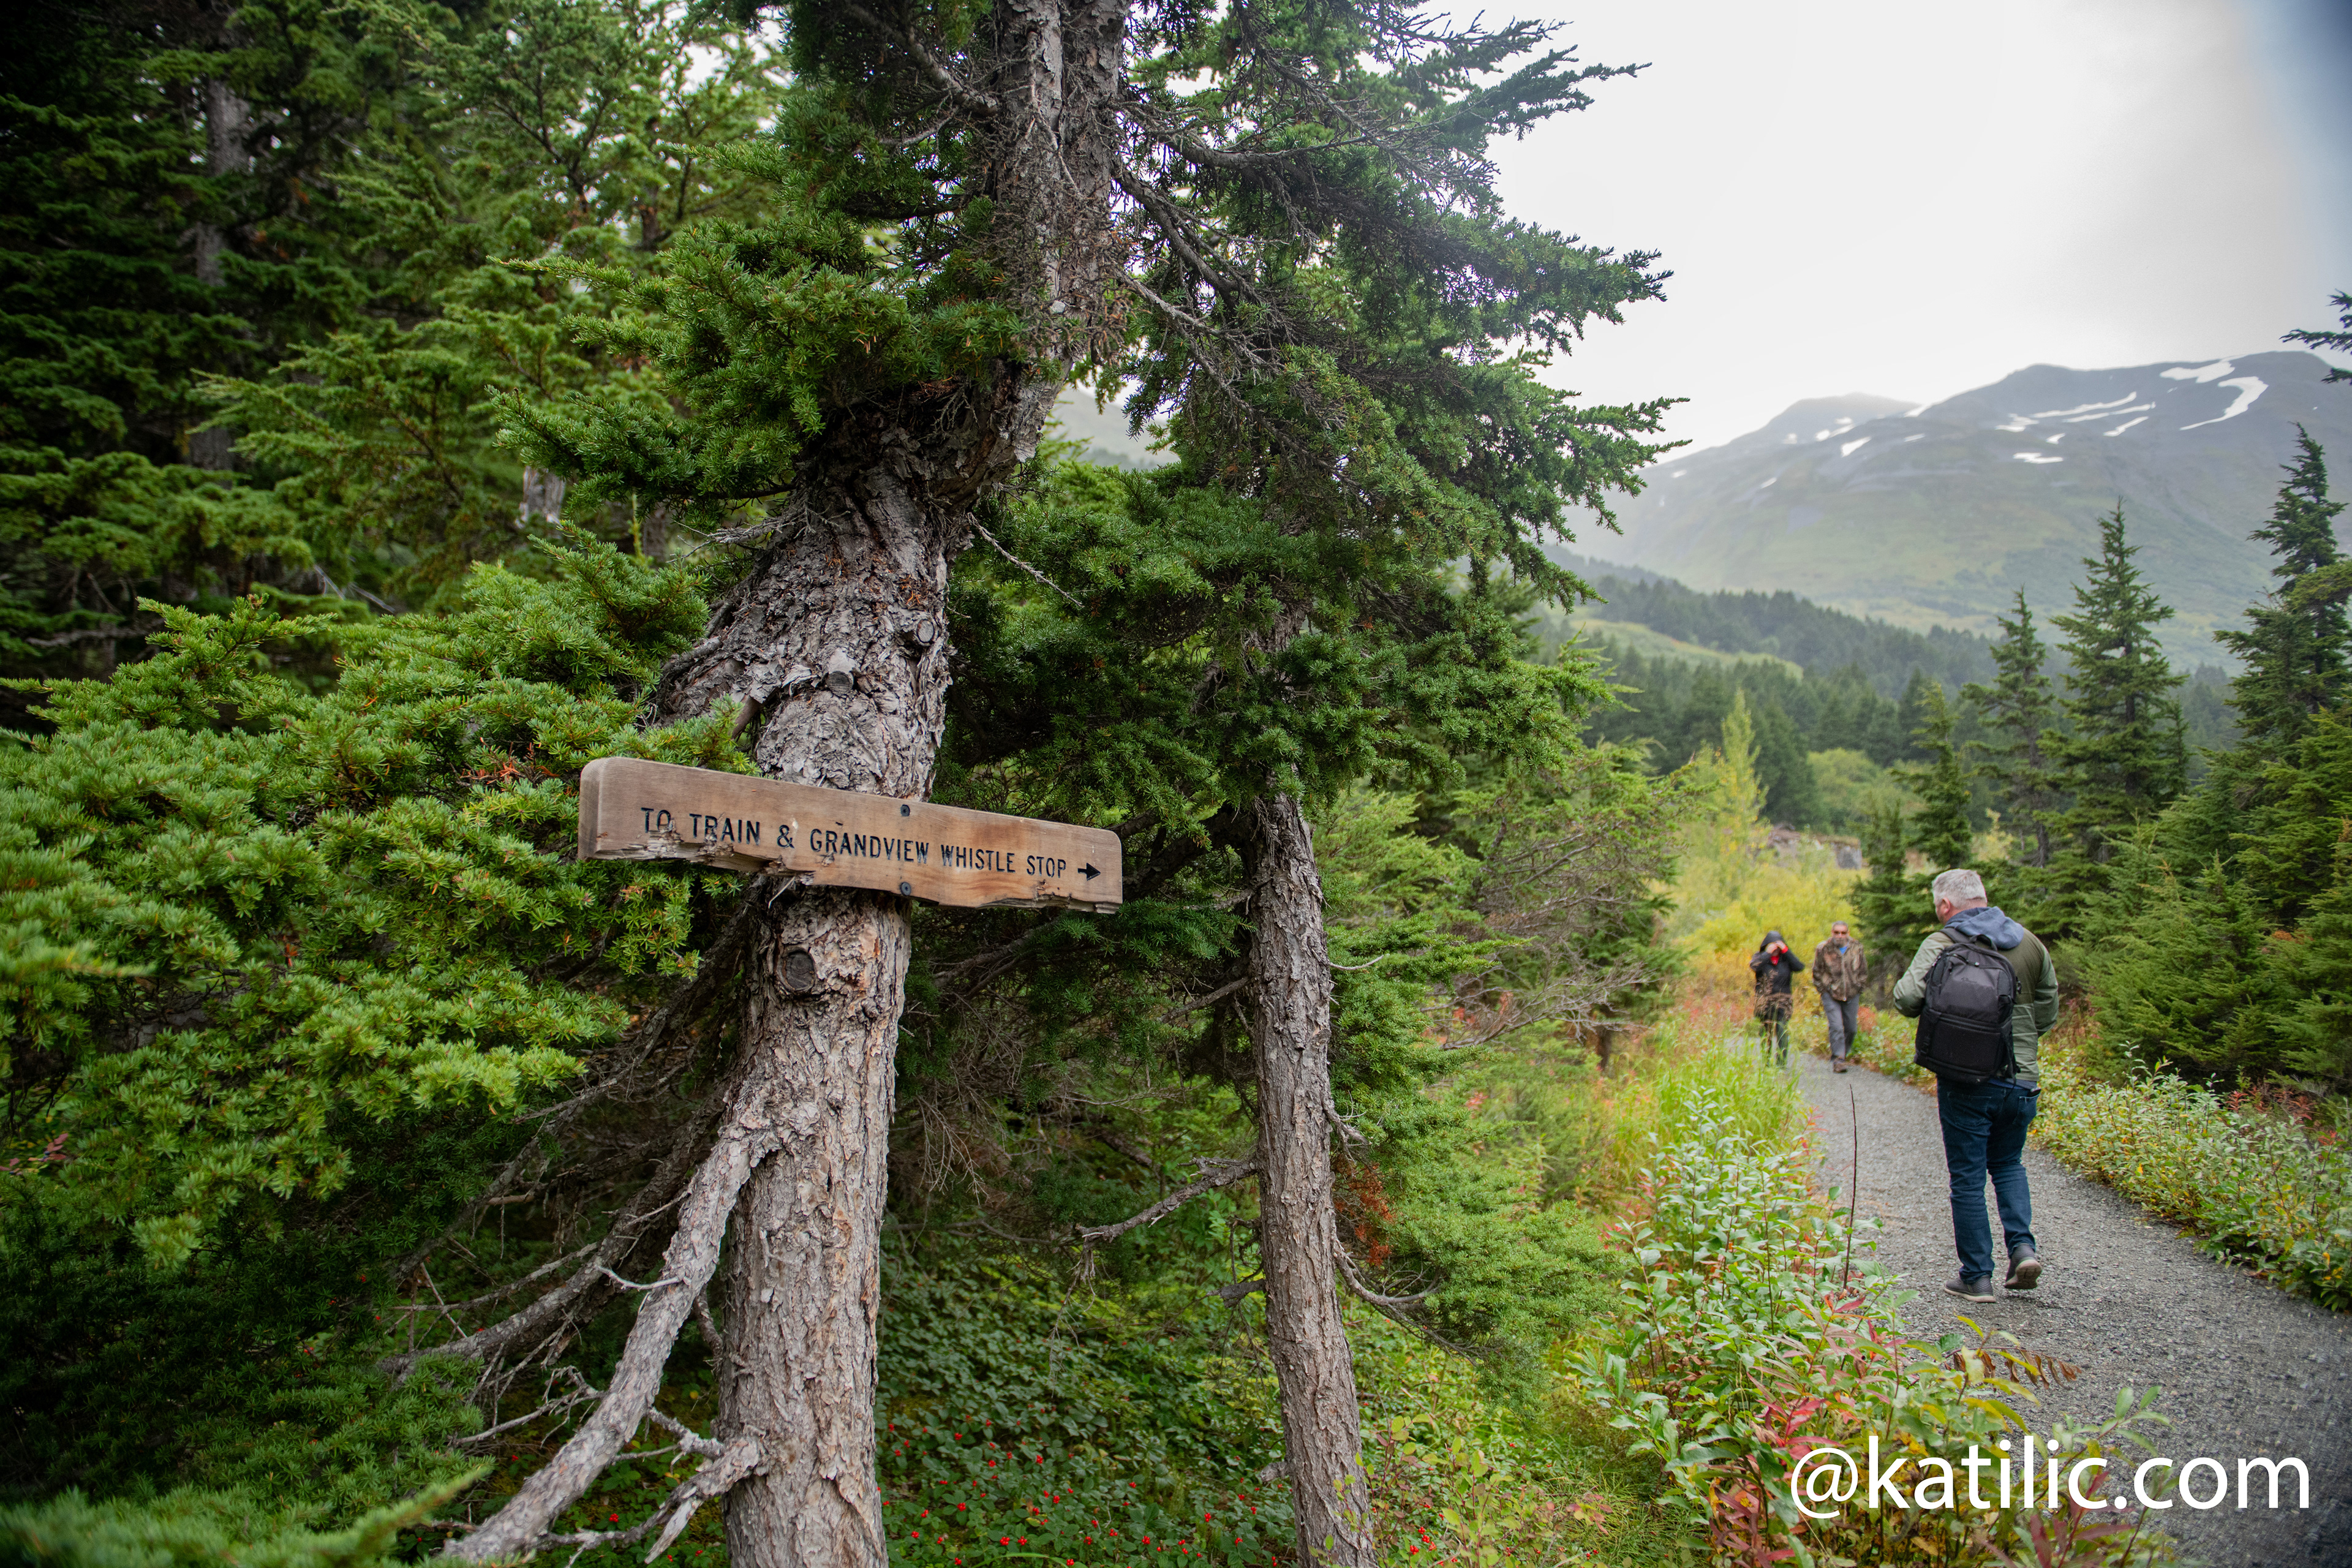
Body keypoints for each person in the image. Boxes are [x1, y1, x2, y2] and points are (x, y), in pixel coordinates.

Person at [1893, 868, 2060, 1305]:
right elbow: (2048, 1009)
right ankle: (2023, 1249)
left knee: (1967, 1178)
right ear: (1984, 898)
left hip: (1967, 1080)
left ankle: (1977, 1277)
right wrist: (2016, 1036)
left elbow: (1906, 999)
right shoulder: (2030, 942)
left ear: (1946, 906)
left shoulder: (1942, 942)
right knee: (2008, 1165)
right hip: (2022, 1079)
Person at [1811, 920, 1868, 1072]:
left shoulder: (1857, 948)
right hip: (1830, 993)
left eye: (1843, 933)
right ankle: (1839, 1059)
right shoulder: (1823, 948)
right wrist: (1823, 988)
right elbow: (1817, 971)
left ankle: (1843, 1053)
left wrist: (1859, 986)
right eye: (1837, 932)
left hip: (1852, 993)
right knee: (1836, 1026)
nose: (1840, 936)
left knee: (1851, 1029)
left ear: (1848, 933)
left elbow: (1863, 971)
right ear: (1832, 933)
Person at [1748, 930, 1804, 1068]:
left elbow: (1799, 967)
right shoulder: (1760, 957)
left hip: (1783, 1001)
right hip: (1764, 1001)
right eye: (1772, 945)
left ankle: (1781, 1064)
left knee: (1781, 1030)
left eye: (1778, 946)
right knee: (1765, 1032)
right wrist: (1767, 954)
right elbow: (1754, 966)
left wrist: (1786, 951)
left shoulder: (1786, 960)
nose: (1775, 949)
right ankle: (1766, 1062)